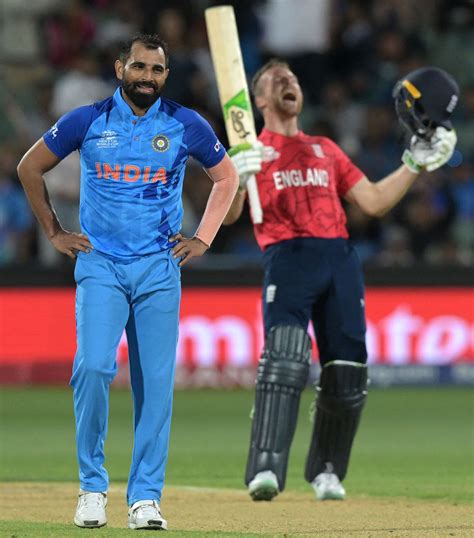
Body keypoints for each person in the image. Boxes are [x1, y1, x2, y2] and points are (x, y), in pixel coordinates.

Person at [17, 33, 238, 529]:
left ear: (166, 76)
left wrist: (203, 238)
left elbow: (227, 177)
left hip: (160, 267)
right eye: (139, 68)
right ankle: (92, 488)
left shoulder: (184, 123)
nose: (147, 78)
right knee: (93, 368)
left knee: (155, 386)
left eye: (157, 71)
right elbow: (30, 167)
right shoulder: (88, 119)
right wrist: (53, 231)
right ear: (121, 69)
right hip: (101, 265)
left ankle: (145, 498)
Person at [224, 60, 458, 502]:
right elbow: (232, 216)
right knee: (286, 360)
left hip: (339, 258)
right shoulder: (252, 151)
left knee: (347, 369)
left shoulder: (324, 149)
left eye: (292, 78)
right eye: (277, 80)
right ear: (258, 100)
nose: (289, 82)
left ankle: (328, 470)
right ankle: (266, 469)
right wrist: (239, 177)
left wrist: (413, 163)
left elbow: (372, 201)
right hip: (287, 256)